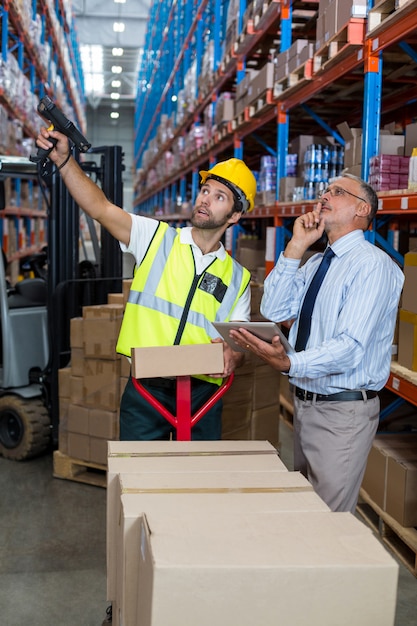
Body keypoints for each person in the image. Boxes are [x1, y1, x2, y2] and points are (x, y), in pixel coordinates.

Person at [35, 125, 257, 441]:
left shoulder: (238, 278)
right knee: (139, 479)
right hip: (147, 385)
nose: (205, 199)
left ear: (235, 215)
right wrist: (65, 162)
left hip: (204, 393)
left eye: (219, 196)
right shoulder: (156, 238)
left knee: (199, 480)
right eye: (205, 190)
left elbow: (239, 343)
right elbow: (100, 208)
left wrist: (233, 355)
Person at [229, 174, 404, 513]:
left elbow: (351, 346)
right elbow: (274, 309)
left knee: (328, 521)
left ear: (362, 209)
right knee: (308, 513)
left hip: (342, 411)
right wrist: (295, 246)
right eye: (324, 190)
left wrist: (291, 363)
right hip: (307, 404)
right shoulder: (315, 263)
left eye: (337, 192)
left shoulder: (372, 266)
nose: (324, 196)